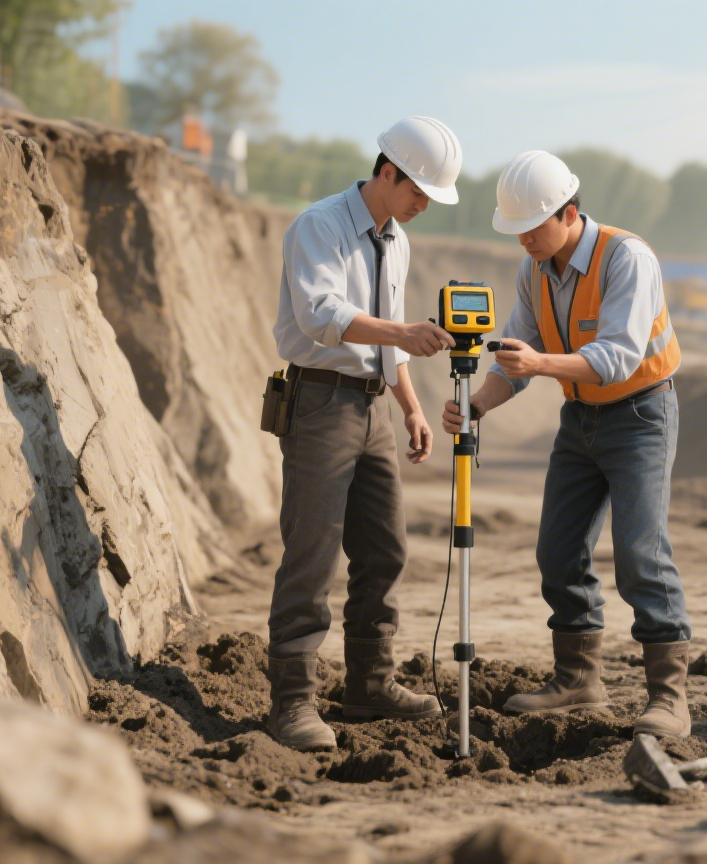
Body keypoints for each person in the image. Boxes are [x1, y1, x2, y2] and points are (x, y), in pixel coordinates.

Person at [441, 150, 692, 738]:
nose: (523, 239)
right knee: (557, 550)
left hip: (641, 415)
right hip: (578, 419)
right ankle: (579, 679)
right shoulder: (534, 272)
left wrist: (538, 362)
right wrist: (478, 403)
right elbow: (517, 363)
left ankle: (669, 696)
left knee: (640, 554)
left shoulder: (626, 258)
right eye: (516, 231)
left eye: (532, 228)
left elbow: (616, 356)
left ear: (569, 212)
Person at [267, 117, 462, 752]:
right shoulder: (319, 226)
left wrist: (409, 406)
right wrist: (402, 334)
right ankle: (292, 701)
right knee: (313, 551)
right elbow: (321, 317)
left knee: (384, 551)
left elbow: (388, 340)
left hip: (376, 407)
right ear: (387, 172)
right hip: (321, 402)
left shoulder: (394, 240)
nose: (423, 204)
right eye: (417, 190)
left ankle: (370, 683)